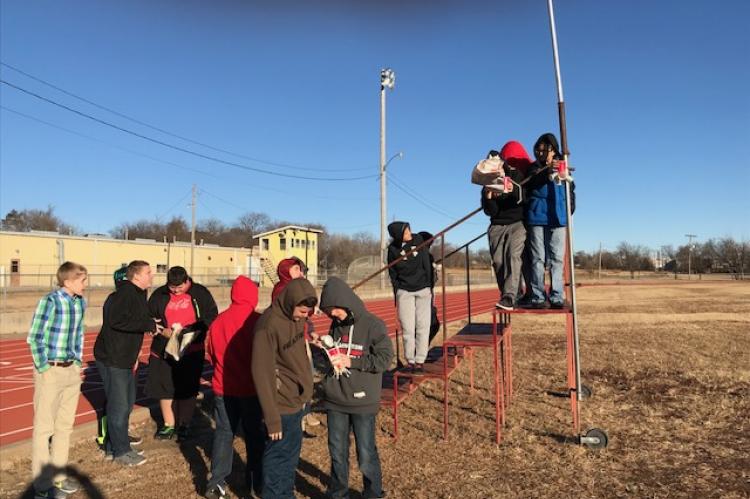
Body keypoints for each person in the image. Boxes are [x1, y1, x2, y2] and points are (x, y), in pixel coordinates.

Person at [317, 277, 393, 499]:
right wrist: (324, 350)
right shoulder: (336, 326)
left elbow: (385, 359)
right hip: (335, 399)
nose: (332, 316)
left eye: (334, 311)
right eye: (329, 312)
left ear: (345, 302)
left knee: (366, 452)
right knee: (337, 452)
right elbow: (335, 357)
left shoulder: (373, 325)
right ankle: (338, 493)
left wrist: (352, 361)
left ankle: (373, 492)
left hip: (363, 401)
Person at [251, 278, 317, 499]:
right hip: (280, 405)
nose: (303, 316)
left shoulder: (298, 319)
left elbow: (298, 358)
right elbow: (261, 373)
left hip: (297, 400)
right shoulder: (267, 326)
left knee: (289, 458)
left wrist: (306, 391)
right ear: (290, 303)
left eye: (307, 312)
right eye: (301, 311)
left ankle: (285, 495)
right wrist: (272, 418)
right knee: (277, 458)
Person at [27, 262, 88, 498]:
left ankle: (60, 478)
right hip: (50, 371)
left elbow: (79, 334)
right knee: (44, 429)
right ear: (69, 281)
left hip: (71, 371)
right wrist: (44, 367)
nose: (85, 284)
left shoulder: (80, 302)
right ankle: (42, 485)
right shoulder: (49, 301)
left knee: (64, 427)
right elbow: (34, 337)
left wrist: (77, 362)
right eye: (82, 280)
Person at [93, 260, 159, 466]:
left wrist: (148, 329)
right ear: (136, 276)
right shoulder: (125, 293)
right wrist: (147, 324)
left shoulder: (139, 294)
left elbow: (135, 321)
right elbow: (117, 321)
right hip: (114, 358)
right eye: (148, 272)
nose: (152, 276)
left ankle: (117, 444)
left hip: (126, 357)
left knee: (127, 402)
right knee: (119, 406)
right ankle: (120, 452)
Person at [204, 276, 264, 499]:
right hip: (250, 389)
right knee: (254, 436)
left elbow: (210, 354)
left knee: (223, 434)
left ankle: (216, 482)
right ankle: (256, 482)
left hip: (223, 387)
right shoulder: (257, 321)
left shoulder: (219, 321)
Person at [146, 266, 218, 441]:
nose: (176, 291)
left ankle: (185, 423)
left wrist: (193, 332)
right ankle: (169, 424)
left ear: (187, 281)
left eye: (180, 287)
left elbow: (211, 315)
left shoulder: (200, 292)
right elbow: (148, 317)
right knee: (165, 388)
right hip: (164, 348)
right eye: (172, 288)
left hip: (191, 349)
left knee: (187, 389)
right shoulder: (160, 295)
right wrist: (160, 330)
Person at [523, 133, 576, 309]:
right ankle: (538, 295)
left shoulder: (563, 166)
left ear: (552, 149)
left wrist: (570, 209)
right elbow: (532, 183)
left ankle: (556, 295)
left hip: (558, 217)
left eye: (543, 149)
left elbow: (571, 189)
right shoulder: (534, 168)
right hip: (537, 217)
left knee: (557, 259)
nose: (539, 153)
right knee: (538, 258)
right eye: (537, 150)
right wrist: (547, 170)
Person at [476, 141, 531, 310]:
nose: (495, 169)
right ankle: (508, 293)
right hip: (497, 226)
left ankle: (509, 295)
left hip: (517, 223)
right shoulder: (487, 182)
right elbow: (490, 212)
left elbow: (524, 198)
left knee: (513, 256)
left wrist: (511, 189)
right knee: (498, 261)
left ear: (502, 162)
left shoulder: (516, 175)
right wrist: (489, 197)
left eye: (497, 165)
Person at [387, 221, 432, 373]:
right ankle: (410, 360)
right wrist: (397, 291)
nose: (409, 233)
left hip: (423, 290)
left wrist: (429, 285)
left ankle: (420, 360)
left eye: (409, 230)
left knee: (423, 326)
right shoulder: (392, 250)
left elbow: (426, 262)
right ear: (398, 235)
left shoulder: (418, 240)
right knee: (407, 328)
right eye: (406, 232)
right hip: (404, 292)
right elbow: (392, 272)